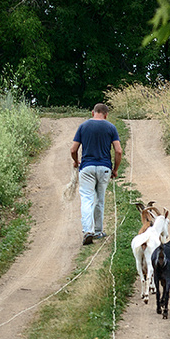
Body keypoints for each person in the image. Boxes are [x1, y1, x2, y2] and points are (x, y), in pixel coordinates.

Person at [70, 103, 123, 245]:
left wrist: (76, 162)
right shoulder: (111, 127)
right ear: (106, 115)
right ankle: (98, 231)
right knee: (100, 200)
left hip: (87, 167)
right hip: (104, 168)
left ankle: (88, 230)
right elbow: (118, 151)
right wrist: (115, 169)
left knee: (87, 199)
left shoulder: (83, 126)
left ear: (92, 112)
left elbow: (73, 150)